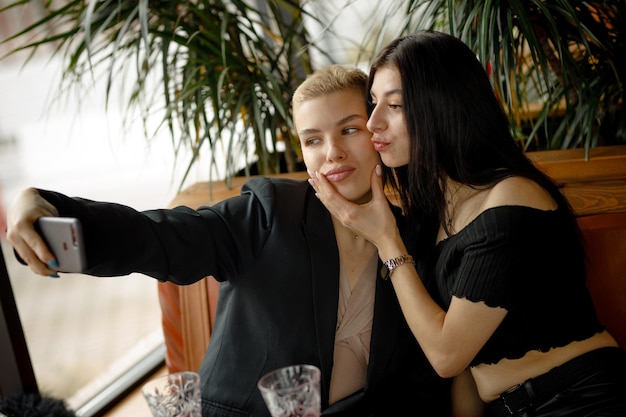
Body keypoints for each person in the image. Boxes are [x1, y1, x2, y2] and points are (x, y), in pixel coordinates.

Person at [6, 65, 451, 416]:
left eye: (349, 129)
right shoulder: (270, 210)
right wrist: (44, 204)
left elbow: (423, 379)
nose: (331, 151)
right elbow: (160, 237)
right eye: (312, 139)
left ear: (377, 133)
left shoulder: (412, 238)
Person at [309, 32, 626, 417]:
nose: (373, 122)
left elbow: (447, 354)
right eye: (374, 103)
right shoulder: (435, 214)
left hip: (581, 400)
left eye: (394, 105)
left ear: (442, 108)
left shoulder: (512, 198)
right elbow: (467, 372)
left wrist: (385, 240)